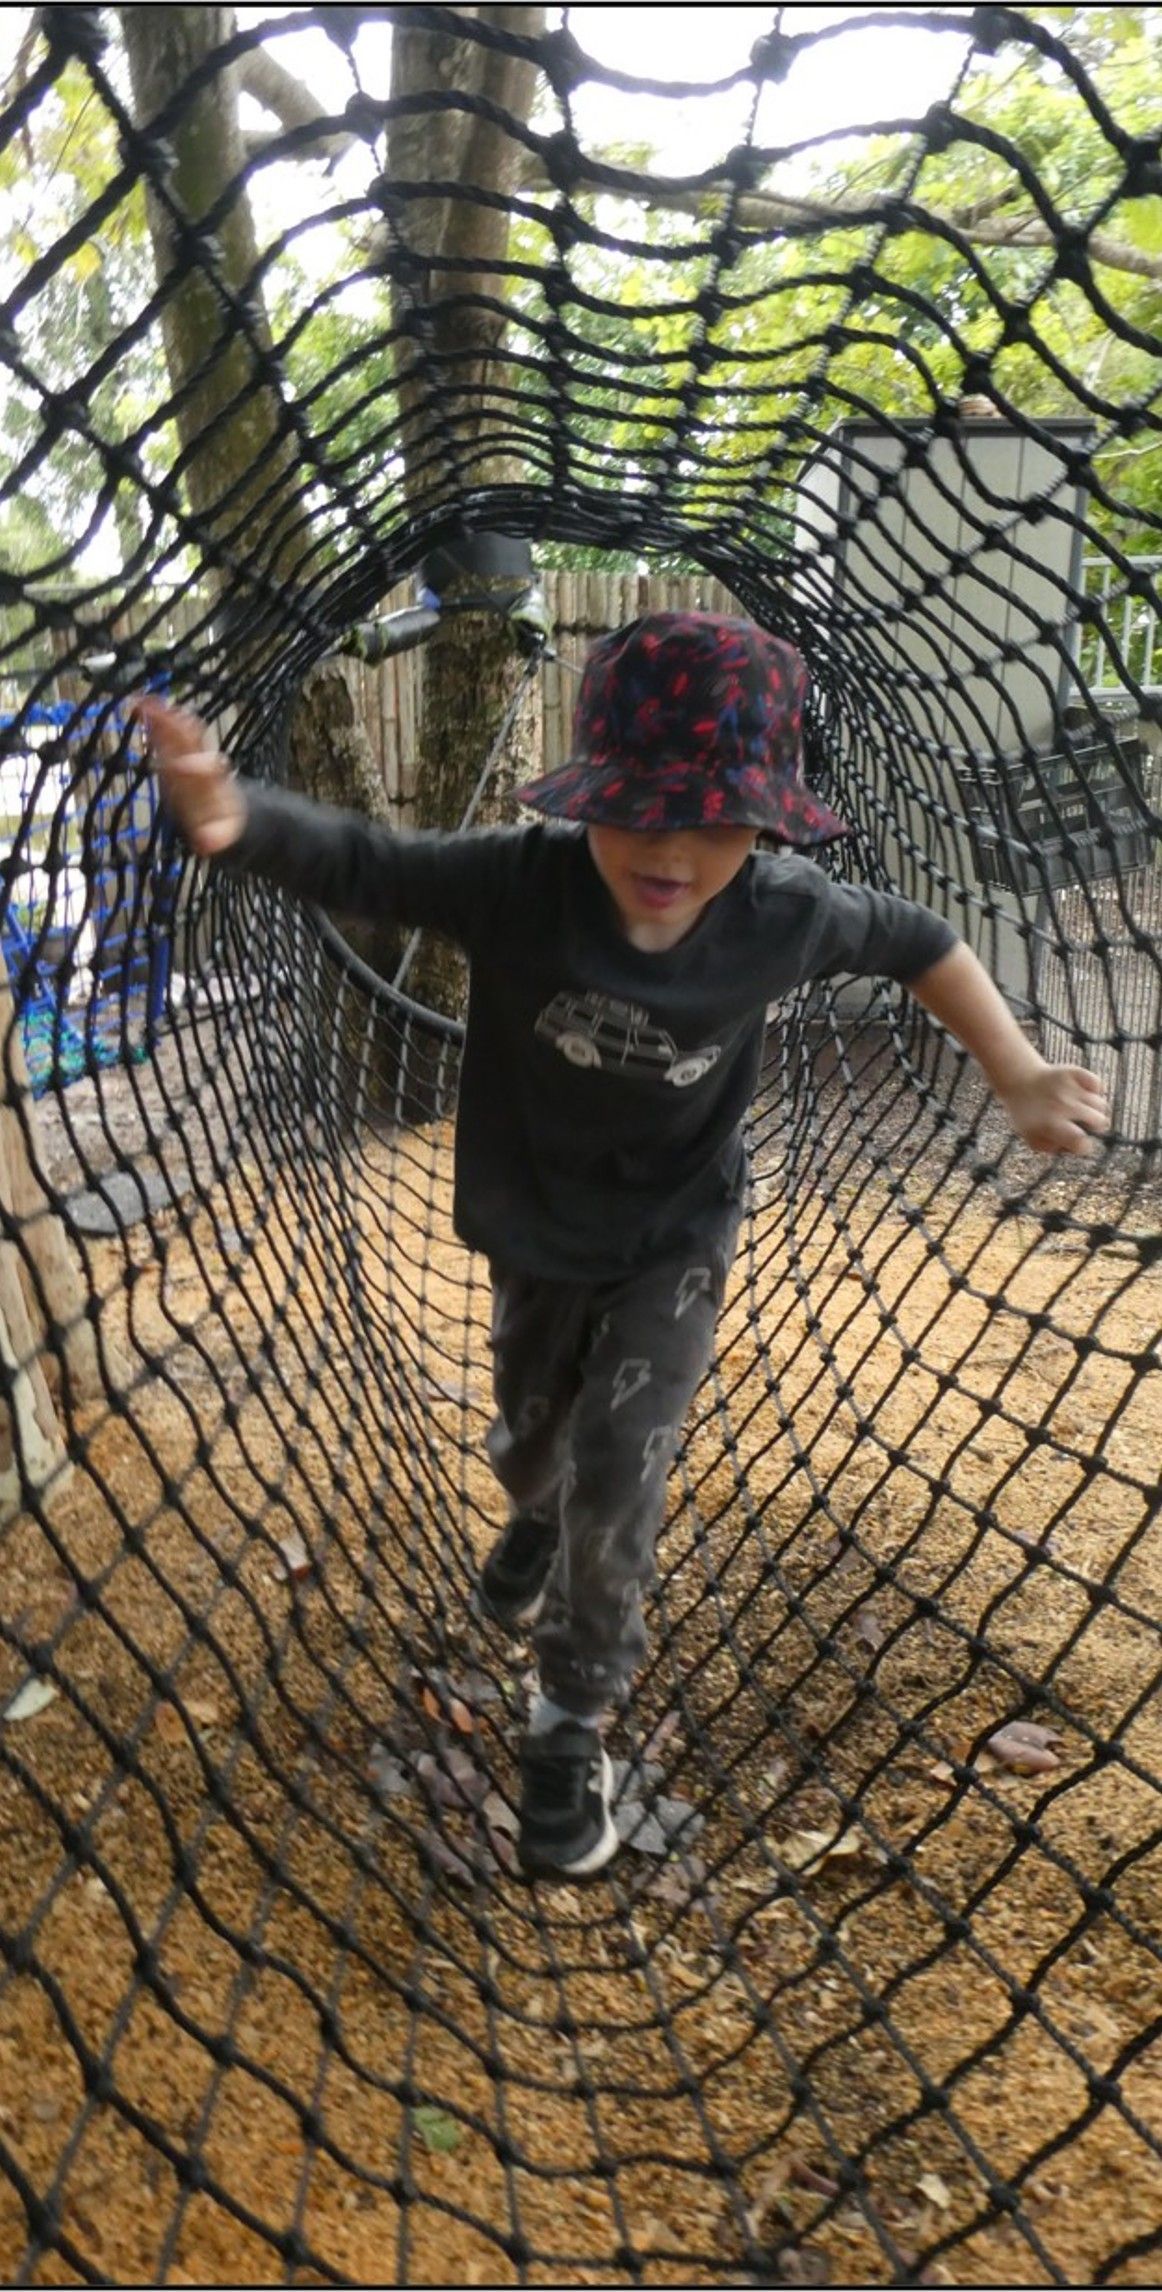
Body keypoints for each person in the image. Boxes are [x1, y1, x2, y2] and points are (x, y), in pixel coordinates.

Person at [134, 612, 1110, 1880]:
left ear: (765, 824)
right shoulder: (518, 883)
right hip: (535, 1228)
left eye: (713, 819)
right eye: (641, 809)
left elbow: (924, 943)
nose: (673, 846)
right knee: (532, 1444)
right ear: (589, 796)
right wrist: (232, 821)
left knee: (621, 1462)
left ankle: (568, 1723)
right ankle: (529, 1518)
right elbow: (372, 862)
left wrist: (1021, 1074)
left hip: (675, 1234)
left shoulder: (785, 911)